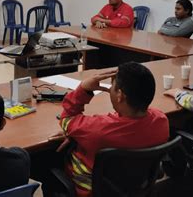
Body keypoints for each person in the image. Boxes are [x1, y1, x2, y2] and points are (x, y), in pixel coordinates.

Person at [58, 62, 169, 197]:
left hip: (88, 190)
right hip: (136, 188)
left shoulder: (97, 130)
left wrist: (83, 89)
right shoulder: (161, 121)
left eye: (112, 87)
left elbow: (66, 118)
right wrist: (78, 133)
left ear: (120, 95)